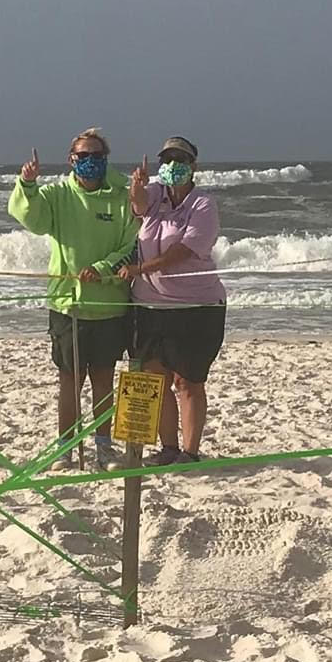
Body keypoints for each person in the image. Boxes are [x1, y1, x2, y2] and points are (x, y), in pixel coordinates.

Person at [8, 128, 139, 471]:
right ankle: (65, 448)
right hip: (68, 304)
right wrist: (28, 184)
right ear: (71, 160)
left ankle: (104, 448)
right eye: (83, 157)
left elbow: (131, 243)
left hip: (109, 304)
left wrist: (102, 267)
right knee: (69, 379)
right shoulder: (57, 194)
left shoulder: (122, 196)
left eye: (97, 157)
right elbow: (31, 218)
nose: (90, 163)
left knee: (103, 379)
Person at [117, 136, 226, 466]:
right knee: (155, 378)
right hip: (150, 305)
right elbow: (137, 206)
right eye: (168, 159)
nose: (173, 165)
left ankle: (190, 452)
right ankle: (167, 448)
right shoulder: (156, 194)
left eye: (180, 159)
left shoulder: (203, 204)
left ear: (193, 166)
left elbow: (182, 253)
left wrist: (140, 268)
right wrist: (136, 186)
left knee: (188, 381)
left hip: (195, 306)